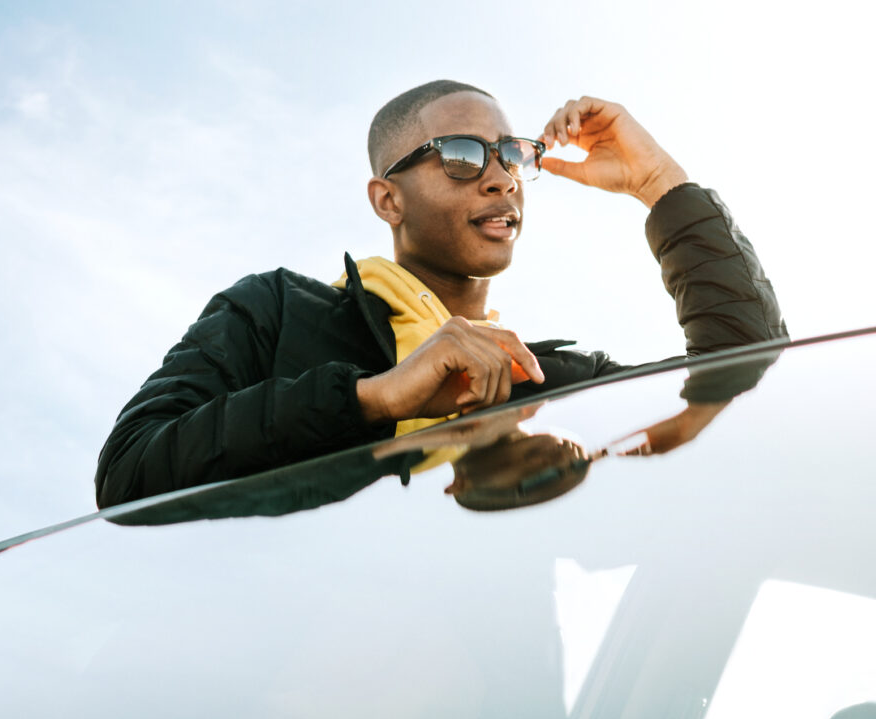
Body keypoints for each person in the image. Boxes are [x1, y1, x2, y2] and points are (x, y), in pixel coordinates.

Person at [94, 80, 787, 508]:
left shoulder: (546, 383)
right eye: (461, 155)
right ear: (387, 200)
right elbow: (129, 475)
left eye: (512, 154)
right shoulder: (275, 312)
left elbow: (745, 399)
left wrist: (657, 180)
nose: (501, 178)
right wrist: (374, 399)